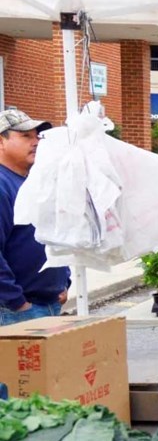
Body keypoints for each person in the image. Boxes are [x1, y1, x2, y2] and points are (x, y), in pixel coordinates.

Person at [0, 108, 69, 326]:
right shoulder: (2, 185)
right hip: (17, 311)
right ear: (1, 142)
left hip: (47, 304)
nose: (36, 141)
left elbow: (52, 233)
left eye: (37, 135)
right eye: (25, 136)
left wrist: (64, 280)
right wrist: (17, 302)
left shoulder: (34, 182)